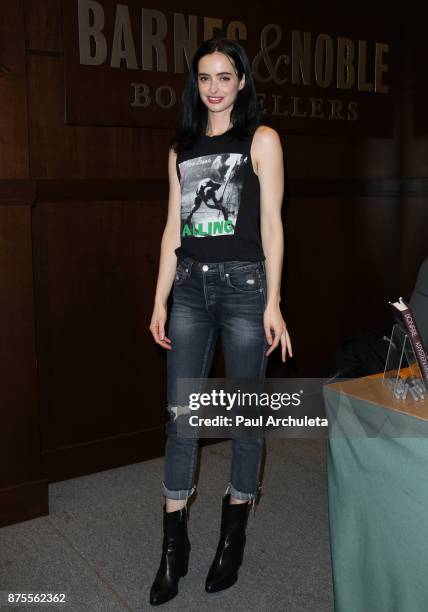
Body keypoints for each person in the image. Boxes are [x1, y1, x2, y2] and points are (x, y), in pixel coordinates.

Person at [148, 37, 292, 606]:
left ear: (241, 82)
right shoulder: (180, 148)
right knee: (182, 420)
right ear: (195, 84)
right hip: (188, 290)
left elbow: (275, 228)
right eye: (205, 78)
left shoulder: (262, 140)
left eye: (224, 77)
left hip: (244, 290)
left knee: (244, 419)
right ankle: (173, 546)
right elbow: (172, 230)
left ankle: (231, 539)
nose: (213, 88)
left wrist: (274, 301)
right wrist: (159, 299)